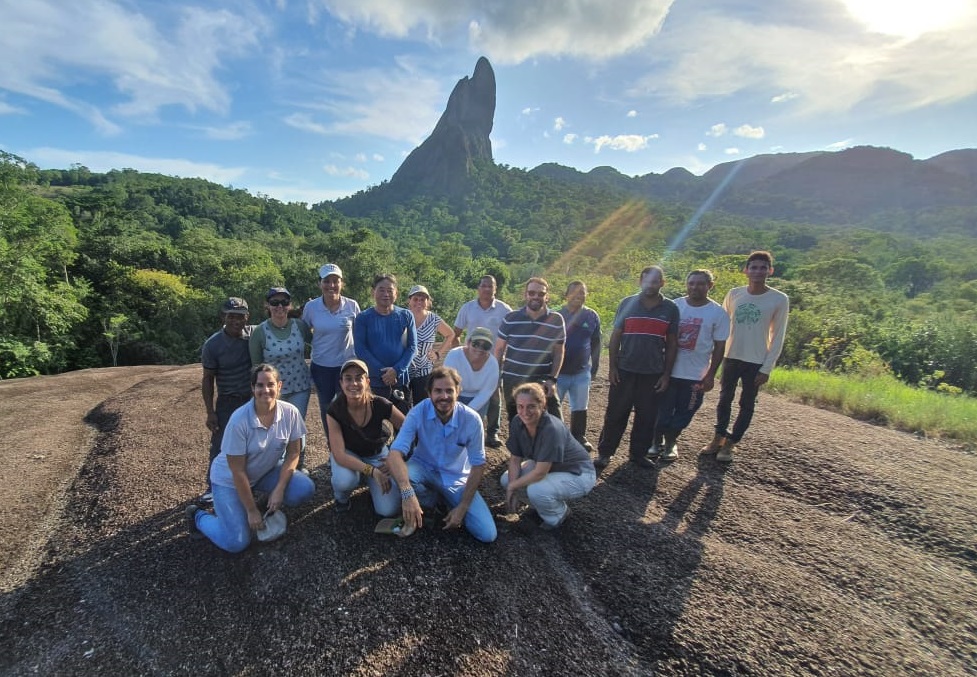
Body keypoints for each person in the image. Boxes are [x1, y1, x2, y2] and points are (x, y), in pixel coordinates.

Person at [186, 364, 315, 553]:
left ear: (280, 386)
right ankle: (197, 516)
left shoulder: (290, 412)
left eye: (271, 384)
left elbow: (294, 453)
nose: (266, 390)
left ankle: (263, 500)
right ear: (252, 388)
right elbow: (237, 471)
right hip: (229, 480)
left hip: (264, 472)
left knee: (305, 488)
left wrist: (279, 489)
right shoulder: (239, 420)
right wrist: (251, 510)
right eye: (260, 385)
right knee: (236, 542)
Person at [384, 366, 497, 543]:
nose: (444, 396)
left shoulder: (472, 420)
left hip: (456, 478)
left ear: (458, 391)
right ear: (429, 393)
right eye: (438, 391)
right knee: (400, 478)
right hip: (423, 467)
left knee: (487, 534)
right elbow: (394, 454)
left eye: (449, 390)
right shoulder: (417, 412)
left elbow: (478, 465)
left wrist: (462, 507)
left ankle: (442, 501)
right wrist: (407, 493)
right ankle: (430, 502)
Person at [701, 251, 789, 463]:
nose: (758, 272)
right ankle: (718, 437)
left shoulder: (779, 299)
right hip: (731, 355)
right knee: (724, 399)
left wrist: (767, 368)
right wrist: (712, 357)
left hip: (756, 359)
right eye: (754, 267)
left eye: (762, 268)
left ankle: (731, 443)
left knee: (747, 403)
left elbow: (778, 336)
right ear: (746, 270)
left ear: (770, 271)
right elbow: (721, 325)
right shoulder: (735, 294)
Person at [594, 266, 679, 469]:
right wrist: (613, 367)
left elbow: (673, 343)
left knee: (647, 417)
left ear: (662, 283)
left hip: (653, 373)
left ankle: (638, 454)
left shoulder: (670, 308)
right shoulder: (628, 303)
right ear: (640, 282)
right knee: (615, 413)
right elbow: (616, 337)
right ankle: (605, 453)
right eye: (647, 280)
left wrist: (666, 375)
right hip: (625, 370)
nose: (650, 284)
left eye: (655, 280)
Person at [652, 270, 729, 461]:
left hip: (696, 375)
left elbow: (719, 346)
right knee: (661, 411)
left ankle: (671, 443)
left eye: (701, 284)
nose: (695, 287)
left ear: (710, 286)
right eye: (691, 283)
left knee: (685, 413)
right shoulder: (675, 306)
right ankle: (655, 442)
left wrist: (711, 374)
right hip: (668, 371)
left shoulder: (717, 313)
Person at [501, 383, 596, 530]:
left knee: (537, 490)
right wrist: (512, 487)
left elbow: (540, 473)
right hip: (549, 466)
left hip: (578, 473)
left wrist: (512, 487)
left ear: (543, 405)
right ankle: (540, 506)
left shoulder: (551, 428)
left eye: (531, 406)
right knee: (507, 479)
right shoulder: (517, 421)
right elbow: (515, 459)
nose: (525, 412)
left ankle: (558, 514)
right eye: (520, 406)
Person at [326, 359, 405, 516]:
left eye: (359, 378)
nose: (353, 383)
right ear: (341, 383)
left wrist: (395, 456)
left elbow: (408, 429)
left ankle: (372, 488)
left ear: (367, 382)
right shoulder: (334, 409)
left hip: (377, 453)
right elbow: (340, 455)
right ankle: (341, 499)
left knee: (388, 510)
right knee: (344, 481)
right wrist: (373, 471)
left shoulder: (380, 404)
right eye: (348, 378)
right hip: (349, 454)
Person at [249, 287, 313, 469]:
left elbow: (319, 342)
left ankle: (298, 465)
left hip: (300, 386)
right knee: (274, 428)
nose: (279, 306)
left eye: (284, 302)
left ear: (289, 305)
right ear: (267, 305)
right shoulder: (260, 332)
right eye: (274, 302)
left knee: (296, 427)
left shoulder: (299, 326)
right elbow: (256, 366)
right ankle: (274, 468)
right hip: (272, 391)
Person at [199, 297, 253, 503]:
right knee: (220, 444)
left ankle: (247, 483)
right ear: (224, 316)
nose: (236, 321)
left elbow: (274, 322)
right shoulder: (213, 345)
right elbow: (208, 379)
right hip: (227, 401)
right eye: (231, 316)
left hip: (252, 399)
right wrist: (210, 412)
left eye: (240, 316)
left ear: (247, 317)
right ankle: (212, 487)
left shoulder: (254, 335)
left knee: (253, 443)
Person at [494, 277, 566, 423]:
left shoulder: (556, 320)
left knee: (554, 422)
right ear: (525, 295)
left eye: (540, 294)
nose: (536, 297)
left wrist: (552, 379)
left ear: (547, 297)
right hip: (513, 379)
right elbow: (499, 350)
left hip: (542, 379)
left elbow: (559, 352)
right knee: (517, 421)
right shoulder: (510, 318)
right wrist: (495, 377)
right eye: (532, 293)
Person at [452, 275, 512, 448]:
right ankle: (458, 425)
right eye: (483, 286)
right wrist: (461, 354)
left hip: (494, 359)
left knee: (493, 395)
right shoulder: (468, 308)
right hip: (470, 357)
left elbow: (511, 336)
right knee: (461, 389)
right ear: (478, 288)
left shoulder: (504, 310)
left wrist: (501, 357)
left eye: (490, 286)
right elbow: (456, 332)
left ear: (495, 289)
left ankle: (492, 432)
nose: (486, 289)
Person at [302, 263, 360, 432]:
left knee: (348, 407)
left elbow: (359, 334)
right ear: (319, 283)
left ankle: (349, 448)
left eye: (335, 281)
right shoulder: (311, 307)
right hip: (322, 367)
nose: (331, 285)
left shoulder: (352, 306)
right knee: (327, 409)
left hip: (346, 366)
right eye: (327, 281)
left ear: (342, 283)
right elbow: (305, 333)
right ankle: (333, 449)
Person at [353, 274, 417, 415]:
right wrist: (384, 373)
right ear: (373, 292)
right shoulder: (363, 318)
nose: (386, 294)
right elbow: (360, 349)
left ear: (396, 293)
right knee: (375, 427)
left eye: (390, 290)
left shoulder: (406, 315)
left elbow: (412, 347)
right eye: (381, 290)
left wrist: (396, 370)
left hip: (400, 380)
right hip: (374, 381)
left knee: (403, 425)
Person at [556, 281, 602, 452]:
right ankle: (555, 437)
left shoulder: (592, 316)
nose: (578, 296)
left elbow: (596, 342)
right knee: (553, 406)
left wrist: (594, 367)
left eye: (582, 292)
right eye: (574, 292)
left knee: (580, 406)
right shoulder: (557, 315)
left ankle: (579, 436)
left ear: (586, 295)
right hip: (559, 372)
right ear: (566, 295)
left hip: (582, 371)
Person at [406, 285, 455, 404]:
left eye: (423, 299)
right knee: (403, 406)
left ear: (428, 302)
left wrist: (438, 354)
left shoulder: (433, 319)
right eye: (416, 299)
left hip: (424, 370)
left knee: (423, 405)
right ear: (409, 301)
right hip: (404, 369)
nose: (419, 302)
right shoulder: (403, 316)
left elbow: (450, 334)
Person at [443, 327, 499, 419]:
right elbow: (447, 383)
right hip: (454, 395)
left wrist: (468, 411)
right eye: (476, 344)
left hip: (479, 398)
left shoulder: (492, 364)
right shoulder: (454, 355)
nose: (480, 349)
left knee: (472, 427)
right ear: (468, 342)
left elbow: (486, 392)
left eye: (486, 346)